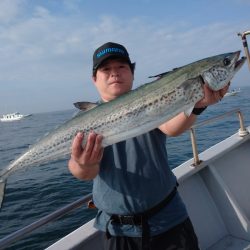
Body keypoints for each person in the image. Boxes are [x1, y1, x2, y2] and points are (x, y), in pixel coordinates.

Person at [68, 42, 229, 250]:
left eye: (122, 67)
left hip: (169, 220)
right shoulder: (82, 119)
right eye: (106, 69)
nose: (114, 74)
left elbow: (171, 127)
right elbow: (83, 172)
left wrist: (199, 105)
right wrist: (83, 165)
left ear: (133, 73)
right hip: (118, 230)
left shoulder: (152, 98)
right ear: (94, 79)